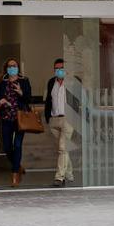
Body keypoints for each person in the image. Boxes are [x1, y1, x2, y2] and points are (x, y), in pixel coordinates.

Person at [0, 58, 32, 188]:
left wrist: (21, 92)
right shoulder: (2, 83)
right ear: (6, 69)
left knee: (18, 145)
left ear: (18, 68)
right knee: (7, 147)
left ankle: (15, 175)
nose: (12, 68)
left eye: (14, 66)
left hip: (20, 118)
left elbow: (28, 99)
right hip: (6, 118)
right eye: (9, 66)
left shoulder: (24, 81)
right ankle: (18, 166)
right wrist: (1, 100)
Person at [43, 58, 75, 188]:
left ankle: (59, 177)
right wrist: (48, 118)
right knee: (63, 150)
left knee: (63, 148)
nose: (59, 70)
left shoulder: (72, 82)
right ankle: (69, 173)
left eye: (61, 68)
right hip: (54, 119)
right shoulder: (51, 82)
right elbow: (48, 100)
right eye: (56, 68)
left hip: (68, 119)